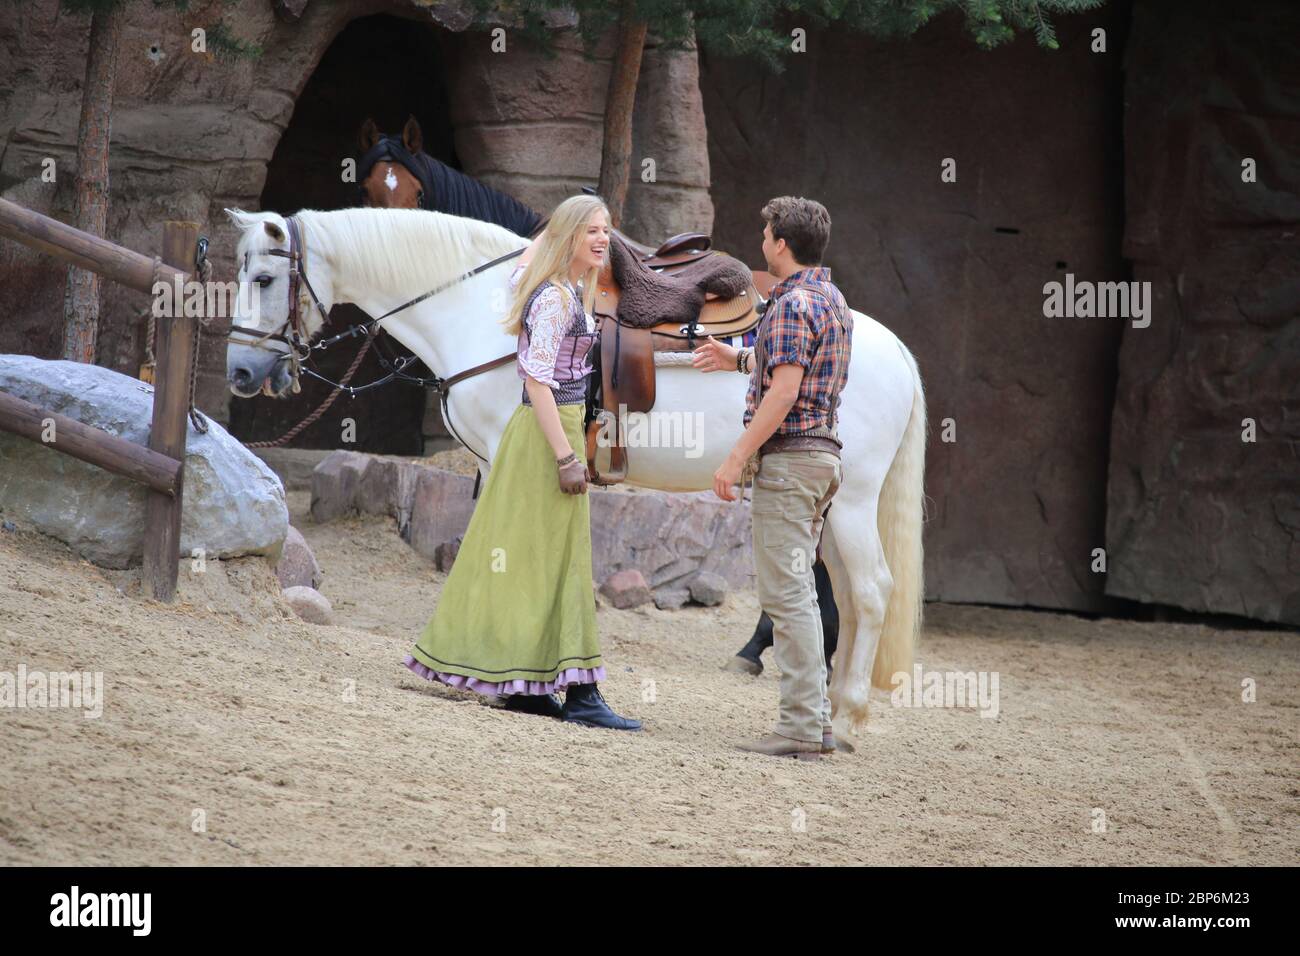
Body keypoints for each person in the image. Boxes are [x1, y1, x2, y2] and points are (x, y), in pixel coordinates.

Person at [403, 194, 641, 731]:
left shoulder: (555, 287)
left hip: (550, 429)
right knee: (562, 560)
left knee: (537, 558)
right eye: (590, 232)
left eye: (606, 231)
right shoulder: (556, 298)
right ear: (567, 238)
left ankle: (528, 687)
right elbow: (537, 380)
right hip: (546, 433)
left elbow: (525, 269)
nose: (602, 240)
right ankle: (580, 695)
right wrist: (565, 455)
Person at [694, 196, 852, 760]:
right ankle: (818, 722)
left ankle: (802, 728)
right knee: (800, 594)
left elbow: (785, 390)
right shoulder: (831, 300)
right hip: (822, 460)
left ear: (780, 244)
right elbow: (798, 369)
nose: (762, 242)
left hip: (790, 465)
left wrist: (735, 457)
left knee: (786, 597)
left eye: (765, 235)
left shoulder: (789, 306)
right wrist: (735, 358)